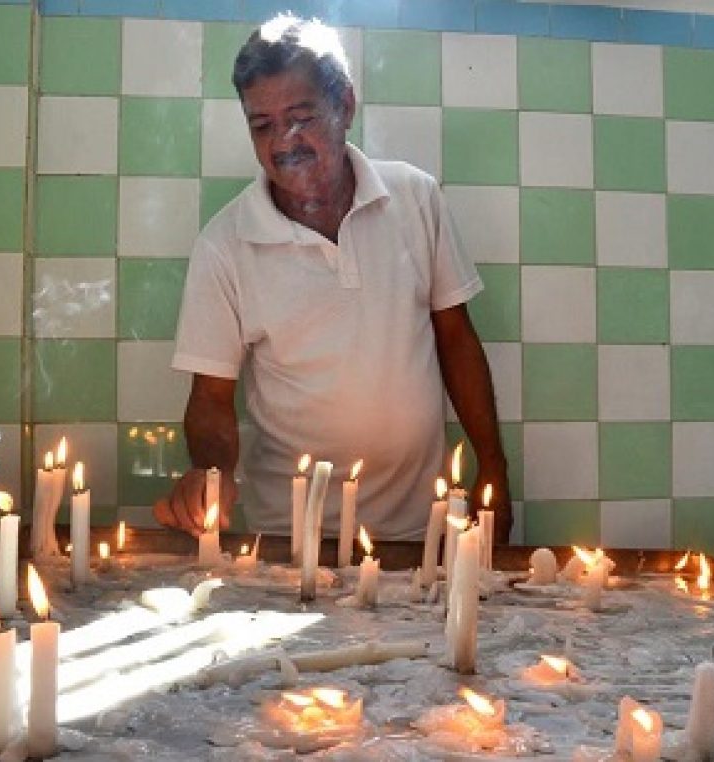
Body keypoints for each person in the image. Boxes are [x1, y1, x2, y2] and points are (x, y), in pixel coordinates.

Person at [154, 14, 511, 542]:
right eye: (263, 125)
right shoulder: (224, 244)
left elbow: (456, 338)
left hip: (422, 530)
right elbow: (210, 398)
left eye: (300, 117)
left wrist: (494, 470)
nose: (283, 142)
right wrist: (212, 471)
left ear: (344, 105)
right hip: (291, 537)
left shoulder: (414, 198)